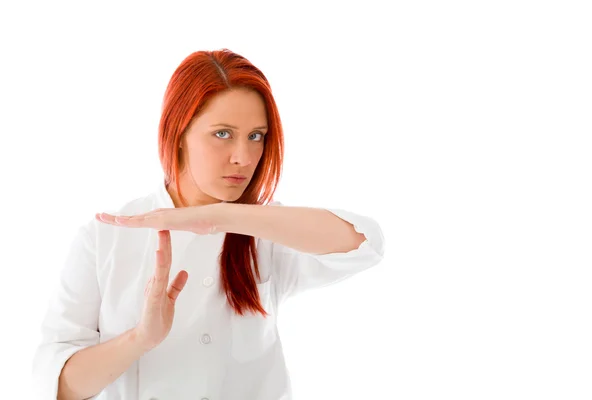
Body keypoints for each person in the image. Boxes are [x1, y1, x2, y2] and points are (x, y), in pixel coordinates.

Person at [31, 48, 386, 400]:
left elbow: (364, 243)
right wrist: (140, 338)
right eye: (222, 134)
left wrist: (220, 217)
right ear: (179, 133)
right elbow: (57, 385)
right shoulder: (105, 238)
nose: (243, 158)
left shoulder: (265, 229)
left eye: (255, 136)